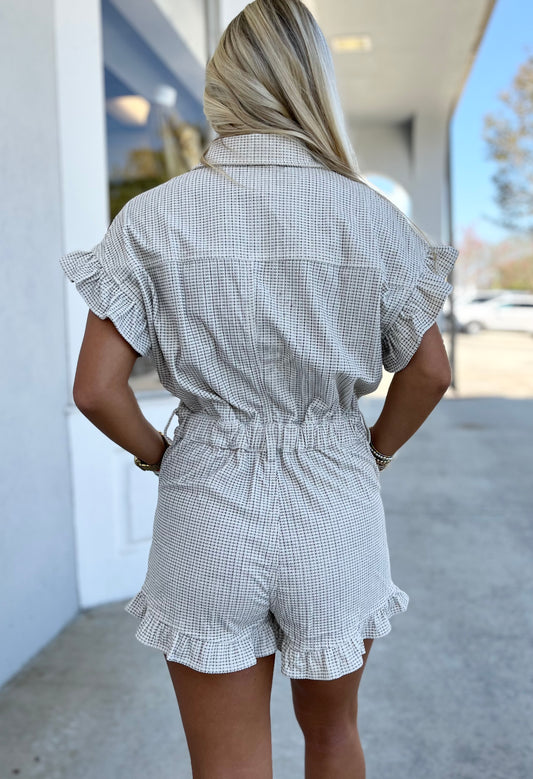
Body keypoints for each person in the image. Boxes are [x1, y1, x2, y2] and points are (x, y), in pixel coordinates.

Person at [59, 1, 459, 776]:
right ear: (312, 84)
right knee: (333, 735)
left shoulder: (153, 218)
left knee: (227, 765)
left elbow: (97, 390)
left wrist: (161, 457)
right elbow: (431, 372)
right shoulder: (369, 219)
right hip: (333, 496)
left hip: (206, 498)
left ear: (223, 86)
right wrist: (369, 450)